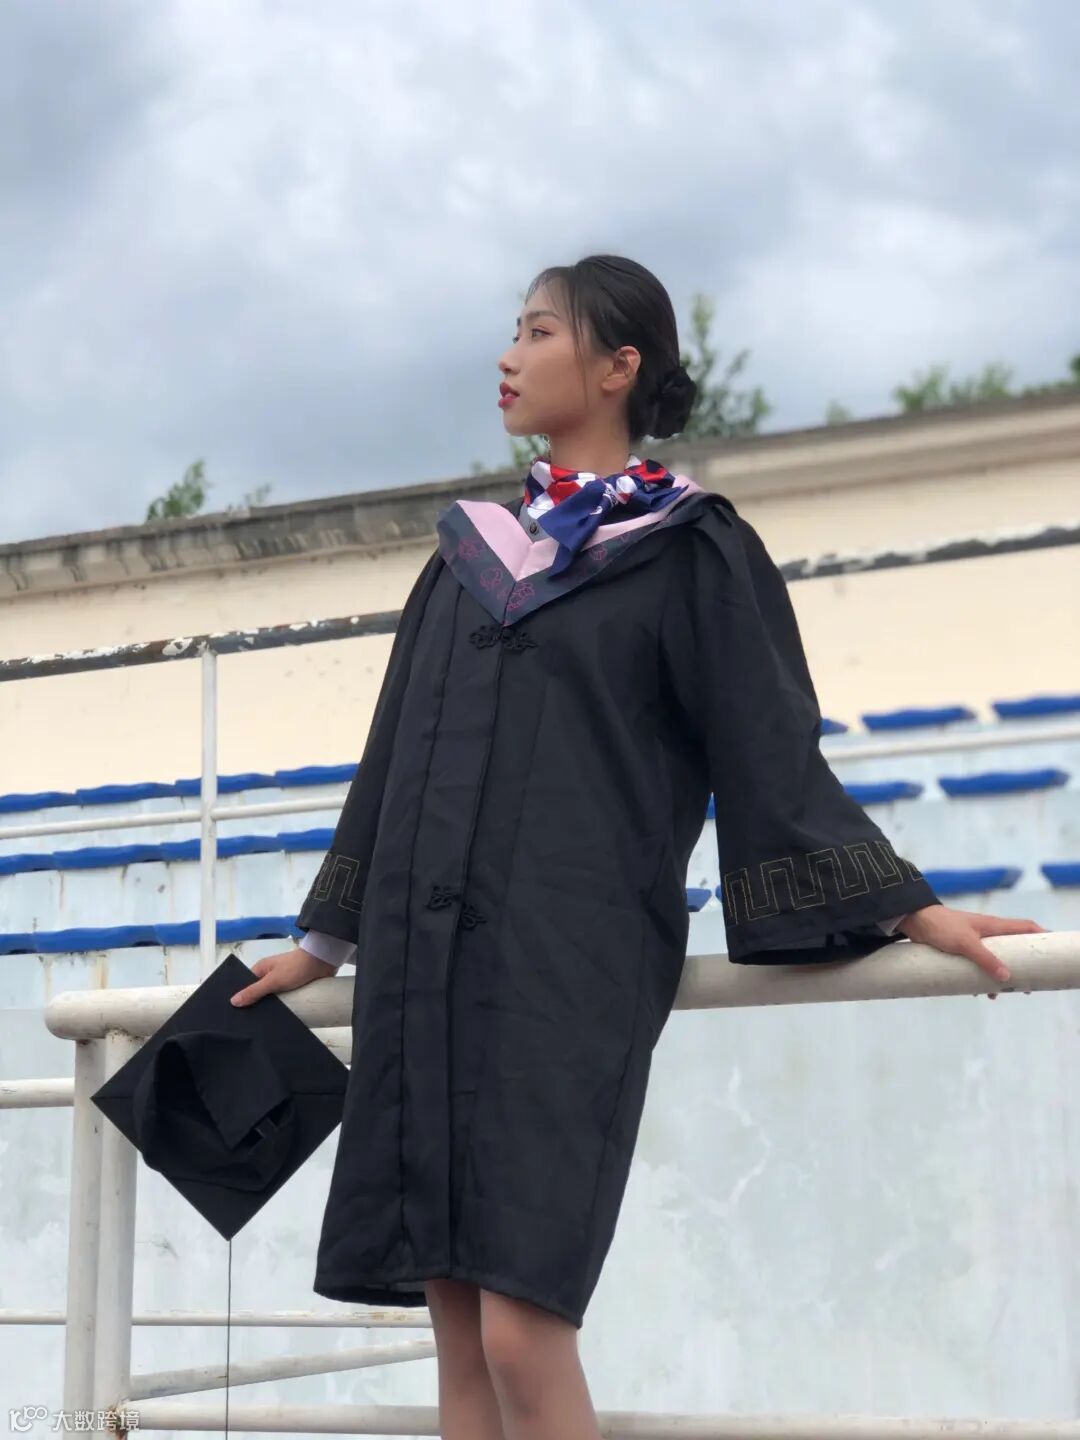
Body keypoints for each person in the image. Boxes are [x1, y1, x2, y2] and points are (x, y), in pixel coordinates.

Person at [230, 254, 1044, 1440]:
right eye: (512, 331)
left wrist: (910, 904)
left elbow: (768, 749)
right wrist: (324, 942)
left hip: (565, 967)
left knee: (521, 1326)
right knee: (457, 1333)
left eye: (538, 332)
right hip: (422, 969)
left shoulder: (688, 547)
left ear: (619, 366)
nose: (508, 355)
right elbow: (389, 757)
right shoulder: (465, 558)